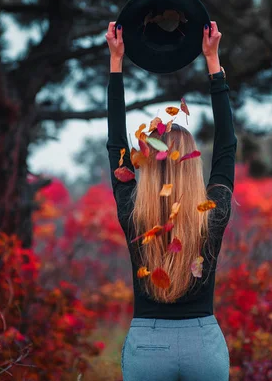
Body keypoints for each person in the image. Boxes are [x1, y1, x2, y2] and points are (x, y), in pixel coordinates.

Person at [105, 20, 237, 381]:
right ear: (192, 165)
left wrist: (116, 63)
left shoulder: (133, 209)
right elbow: (227, 147)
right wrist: (213, 63)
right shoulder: (211, 214)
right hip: (203, 347)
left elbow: (116, 145)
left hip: (148, 345)